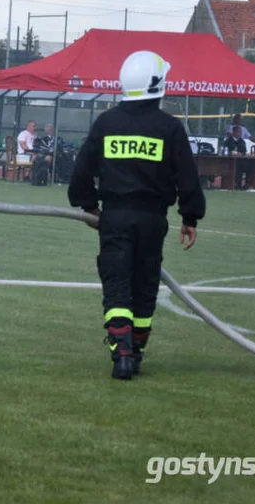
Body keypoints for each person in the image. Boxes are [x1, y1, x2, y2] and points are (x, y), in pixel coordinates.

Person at [67, 50, 206, 380]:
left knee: (117, 287)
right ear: (158, 86)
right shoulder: (170, 128)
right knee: (145, 288)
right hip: (153, 220)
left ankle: (122, 354)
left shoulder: (105, 123)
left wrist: (88, 206)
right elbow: (187, 177)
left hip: (114, 218)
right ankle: (137, 351)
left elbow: (81, 173)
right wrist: (190, 217)